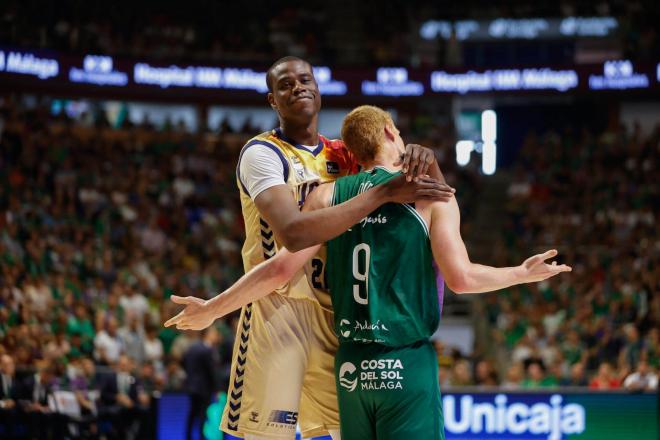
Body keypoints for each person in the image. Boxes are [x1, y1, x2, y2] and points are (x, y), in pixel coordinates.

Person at [166, 105, 572, 439]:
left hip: (351, 369)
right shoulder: (431, 196)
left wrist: (214, 308)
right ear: (392, 132)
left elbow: (279, 270)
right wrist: (519, 273)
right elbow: (461, 279)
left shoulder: (326, 195)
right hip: (404, 361)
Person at [167, 56, 453, 440]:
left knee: (343, 432)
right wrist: (215, 309)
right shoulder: (262, 154)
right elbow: (293, 232)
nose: (298, 87)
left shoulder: (344, 155)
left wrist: (426, 160)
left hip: (336, 312)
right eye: (286, 84)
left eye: (305, 80)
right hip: (277, 308)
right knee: (269, 436)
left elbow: (428, 198)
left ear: (318, 90)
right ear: (272, 100)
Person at [183, 327, 221, 440]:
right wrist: (217, 389)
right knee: (202, 415)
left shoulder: (192, 348)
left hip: (191, 386)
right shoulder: (207, 349)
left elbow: (183, 363)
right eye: (214, 333)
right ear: (208, 334)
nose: (217, 336)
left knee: (192, 413)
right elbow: (212, 372)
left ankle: (188, 436)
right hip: (203, 388)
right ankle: (201, 437)